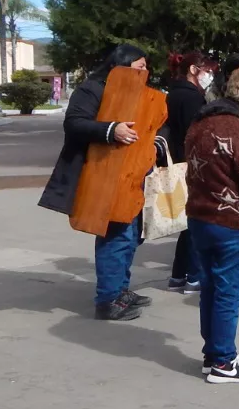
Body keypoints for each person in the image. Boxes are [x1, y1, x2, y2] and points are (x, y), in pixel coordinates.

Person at [38, 44, 159, 322]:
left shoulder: (138, 93)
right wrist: (111, 129)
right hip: (102, 176)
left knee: (129, 236)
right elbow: (74, 124)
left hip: (131, 176)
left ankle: (120, 289)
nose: (146, 72)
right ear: (122, 65)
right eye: (140, 67)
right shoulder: (91, 89)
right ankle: (108, 300)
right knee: (115, 235)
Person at [184, 66, 239, 383]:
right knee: (228, 294)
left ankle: (213, 354)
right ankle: (224, 361)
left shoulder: (200, 122)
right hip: (230, 221)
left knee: (210, 288)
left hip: (199, 217)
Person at [164, 50, 217, 294]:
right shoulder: (193, 99)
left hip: (175, 162)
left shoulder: (173, 94)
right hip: (192, 166)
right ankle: (195, 276)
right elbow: (197, 136)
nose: (210, 76)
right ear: (194, 70)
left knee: (188, 224)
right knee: (198, 222)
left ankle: (177, 275)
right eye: (207, 71)